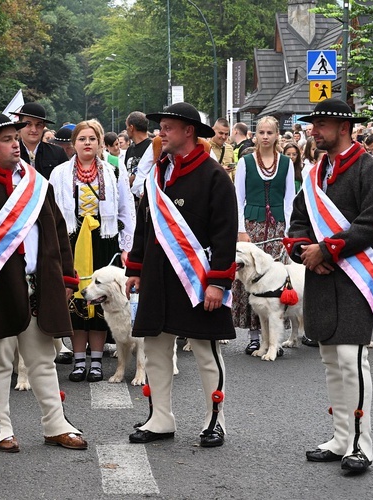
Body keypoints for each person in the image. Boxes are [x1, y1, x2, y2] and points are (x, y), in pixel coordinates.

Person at [0, 112, 88, 453]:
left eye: (15, 138)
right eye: (8, 139)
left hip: (38, 284)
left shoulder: (36, 183)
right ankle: (2, 430)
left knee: (42, 360)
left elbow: (57, 232)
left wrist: (66, 277)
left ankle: (55, 425)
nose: (16, 144)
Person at [285, 98, 373, 474]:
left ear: (343, 127)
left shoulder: (371, 170)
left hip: (354, 280)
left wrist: (326, 250)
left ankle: (361, 446)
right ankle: (340, 438)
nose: (313, 131)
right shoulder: (316, 173)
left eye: (321, 125)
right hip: (320, 278)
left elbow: (372, 224)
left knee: (352, 361)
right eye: (313, 125)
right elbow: (298, 220)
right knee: (330, 360)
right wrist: (304, 252)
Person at [124, 102, 237, 448]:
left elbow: (224, 234)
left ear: (188, 131)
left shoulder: (214, 176)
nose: (161, 134)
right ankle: (160, 418)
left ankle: (213, 421)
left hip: (197, 280)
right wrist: (136, 267)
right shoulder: (158, 173)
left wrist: (218, 281)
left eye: (168, 128)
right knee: (156, 348)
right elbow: (145, 224)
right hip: (158, 277)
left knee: (205, 352)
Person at [49, 120, 135, 382]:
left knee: (101, 300)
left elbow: (127, 209)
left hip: (104, 240)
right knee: (76, 297)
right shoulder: (59, 173)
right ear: (73, 143)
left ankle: (96, 359)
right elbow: (52, 213)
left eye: (92, 139)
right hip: (72, 240)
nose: (87, 143)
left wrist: (127, 248)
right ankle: (78, 360)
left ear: (100, 144)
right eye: (82, 139)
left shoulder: (113, 171)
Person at [234, 115, 296, 356]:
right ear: (255, 135)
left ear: (277, 135)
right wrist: (241, 231)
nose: (266, 137)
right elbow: (238, 199)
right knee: (252, 281)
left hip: (278, 228)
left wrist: (288, 231)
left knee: (277, 284)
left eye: (270, 133)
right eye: (262, 132)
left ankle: (276, 339)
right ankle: (254, 336)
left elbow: (290, 199)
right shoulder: (246, 162)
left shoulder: (286, 163)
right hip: (252, 228)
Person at [12, 102, 68, 179]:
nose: (34, 130)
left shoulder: (57, 153)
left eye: (38, 124)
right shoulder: (11, 153)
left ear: (44, 126)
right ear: (19, 125)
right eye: (28, 124)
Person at [124, 111, 152, 190]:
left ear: (131, 128)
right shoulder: (130, 149)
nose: (126, 129)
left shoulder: (152, 148)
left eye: (127, 126)